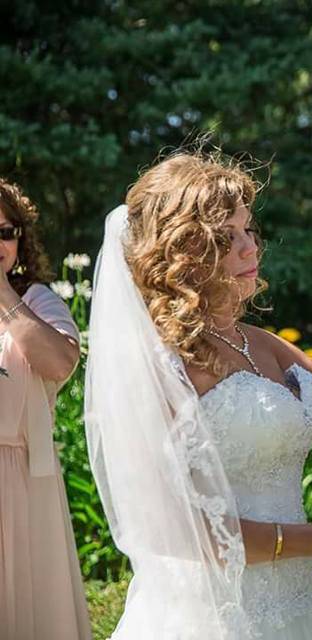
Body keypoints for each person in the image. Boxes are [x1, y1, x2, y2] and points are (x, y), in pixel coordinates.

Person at [84, 151, 312, 639]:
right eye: (225, 238)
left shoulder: (261, 343)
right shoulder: (158, 368)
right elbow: (170, 529)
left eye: (248, 231)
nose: (249, 249)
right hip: (210, 614)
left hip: (299, 606)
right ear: (179, 254)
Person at [0, 178, 91, 639]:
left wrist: (3, 295)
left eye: (5, 232)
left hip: (21, 477)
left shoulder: (37, 301)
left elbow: (59, 363)